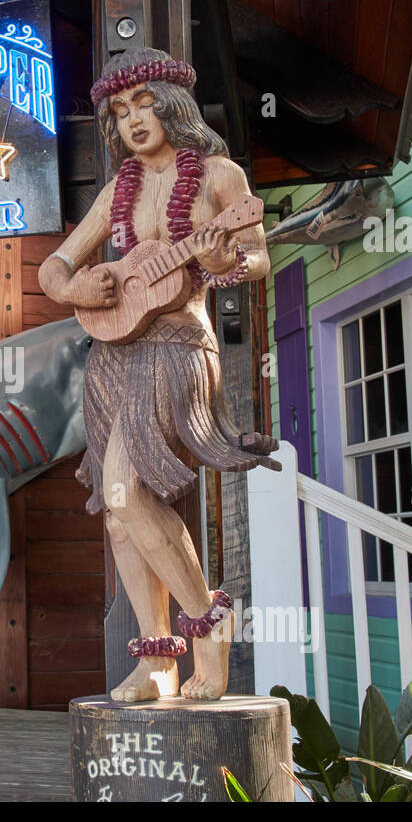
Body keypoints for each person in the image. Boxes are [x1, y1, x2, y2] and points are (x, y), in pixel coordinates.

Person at [38, 48, 279, 702]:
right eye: (119, 110)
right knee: (120, 517)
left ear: (173, 104)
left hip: (178, 349)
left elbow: (254, 260)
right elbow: (53, 269)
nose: (132, 119)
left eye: (144, 102)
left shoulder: (218, 177)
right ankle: (158, 661)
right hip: (116, 354)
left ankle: (209, 633)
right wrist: (81, 289)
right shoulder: (121, 190)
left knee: (122, 490)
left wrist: (226, 256)